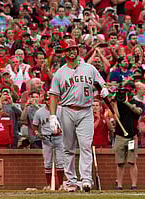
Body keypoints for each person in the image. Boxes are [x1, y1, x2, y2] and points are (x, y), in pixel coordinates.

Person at [48, 39, 109, 192]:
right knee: (68, 148)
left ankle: (86, 180)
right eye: (68, 50)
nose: (72, 52)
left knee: (86, 146)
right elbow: (54, 96)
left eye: (74, 49)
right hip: (67, 109)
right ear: (64, 53)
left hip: (86, 110)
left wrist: (104, 89)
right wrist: (53, 116)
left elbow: (102, 84)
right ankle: (71, 181)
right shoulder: (59, 73)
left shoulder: (89, 68)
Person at [111, 80, 143, 190]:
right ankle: (119, 185)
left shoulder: (137, 102)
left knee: (132, 161)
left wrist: (127, 102)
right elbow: (117, 117)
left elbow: (138, 112)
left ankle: (134, 185)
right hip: (120, 136)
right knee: (120, 162)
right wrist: (115, 103)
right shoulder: (118, 103)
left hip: (131, 137)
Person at [32, 92, 65, 190]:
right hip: (46, 138)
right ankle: (50, 185)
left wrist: (63, 130)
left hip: (59, 137)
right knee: (47, 162)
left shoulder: (60, 110)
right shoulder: (40, 112)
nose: (48, 101)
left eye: (50, 99)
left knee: (60, 162)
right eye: (47, 100)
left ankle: (61, 184)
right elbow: (35, 126)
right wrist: (37, 133)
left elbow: (67, 123)